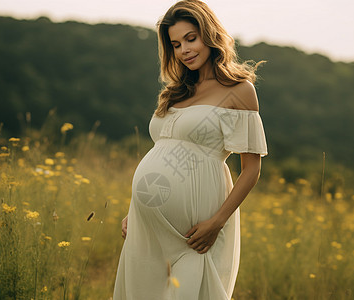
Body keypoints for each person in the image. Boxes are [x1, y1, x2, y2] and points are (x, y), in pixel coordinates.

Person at [113, 0, 267, 299]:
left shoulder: (238, 90)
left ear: (209, 35)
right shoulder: (175, 92)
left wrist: (217, 222)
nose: (184, 49)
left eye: (190, 38)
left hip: (197, 229)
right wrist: (137, 211)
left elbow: (252, 169)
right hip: (146, 227)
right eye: (175, 44)